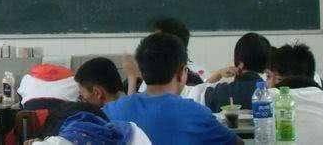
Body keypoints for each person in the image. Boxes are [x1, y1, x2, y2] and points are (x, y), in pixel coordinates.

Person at [104, 32, 242, 145]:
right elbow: (236, 143)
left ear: (141, 70)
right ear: (182, 73)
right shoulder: (196, 113)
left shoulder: (111, 111)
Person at [124, 18, 206, 95]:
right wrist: (132, 78)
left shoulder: (193, 83)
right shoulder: (139, 78)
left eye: (156, 42)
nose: (149, 46)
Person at [198, 32, 271, 113]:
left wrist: (218, 73)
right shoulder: (270, 92)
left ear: (240, 63)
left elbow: (196, 95)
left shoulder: (222, 92)